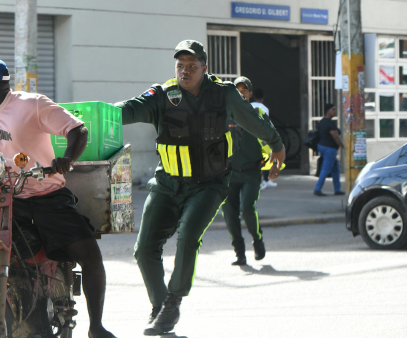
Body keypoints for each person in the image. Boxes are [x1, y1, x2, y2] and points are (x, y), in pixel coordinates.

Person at [0, 56, 116, 338]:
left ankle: (96, 327)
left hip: (47, 195)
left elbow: (77, 129)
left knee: (90, 257)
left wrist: (66, 159)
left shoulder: (32, 104)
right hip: (5, 199)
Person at [115, 40, 285, 336]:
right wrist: (86, 117)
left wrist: (277, 146)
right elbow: (127, 110)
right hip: (167, 184)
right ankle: (160, 307)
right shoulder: (163, 96)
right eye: (180, 65)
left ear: (204, 68)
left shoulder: (224, 94)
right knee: (144, 250)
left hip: (210, 184)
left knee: (189, 235)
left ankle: (173, 301)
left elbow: (254, 122)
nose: (185, 71)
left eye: (192, 66)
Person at [220, 77, 272, 266]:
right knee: (229, 214)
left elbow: (270, 137)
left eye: (245, 90)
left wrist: (275, 162)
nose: (241, 92)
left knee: (248, 208)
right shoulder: (224, 114)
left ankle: (257, 241)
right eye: (238, 89)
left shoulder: (257, 113)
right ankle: (239, 253)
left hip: (251, 171)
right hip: (229, 173)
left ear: (250, 93)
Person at [314, 103, 346, 196]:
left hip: (322, 146)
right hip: (330, 149)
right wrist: (343, 146)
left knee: (335, 168)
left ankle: (337, 189)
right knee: (325, 169)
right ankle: (317, 189)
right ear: (328, 111)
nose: (335, 111)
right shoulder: (330, 123)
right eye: (333, 109)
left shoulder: (321, 122)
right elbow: (336, 137)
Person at [251, 89, 276, 189]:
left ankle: (261, 180)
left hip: (250, 135)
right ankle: (266, 179)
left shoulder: (249, 106)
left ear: (254, 96)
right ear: (263, 97)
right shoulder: (264, 108)